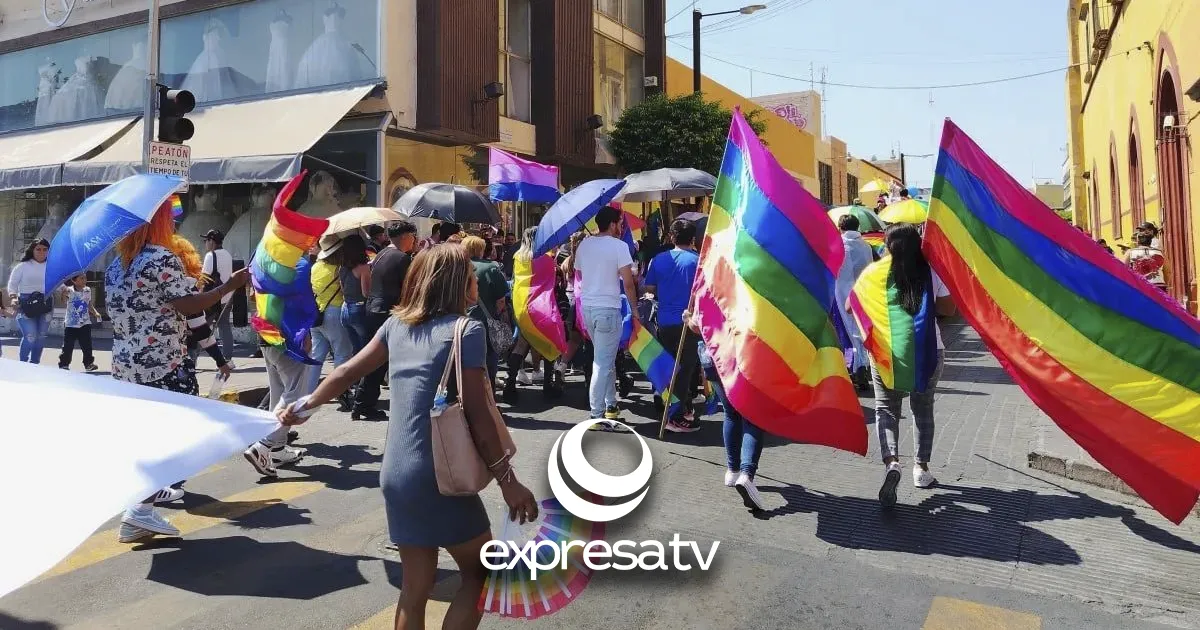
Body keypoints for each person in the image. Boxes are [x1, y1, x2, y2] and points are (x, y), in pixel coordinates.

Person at [277, 244, 538, 630]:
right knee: (483, 574)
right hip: (439, 476)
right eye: (469, 275)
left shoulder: (396, 325)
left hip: (397, 475)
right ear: (459, 283)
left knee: (415, 588)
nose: (474, 282)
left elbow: (347, 370)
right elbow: (479, 415)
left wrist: (305, 405)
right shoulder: (467, 330)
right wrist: (509, 481)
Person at [105, 199, 250, 542]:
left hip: (126, 365)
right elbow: (190, 305)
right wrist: (230, 285)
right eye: (168, 219)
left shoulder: (116, 265)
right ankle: (140, 510)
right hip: (161, 365)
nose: (172, 225)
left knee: (147, 437)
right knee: (178, 435)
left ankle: (142, 506)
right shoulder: (160, 259)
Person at [851, 224, 956, 510]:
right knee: (923, 410)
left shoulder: (873, 273)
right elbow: (949, 309)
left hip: (886, 355)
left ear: (886, 245)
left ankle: (892, 462)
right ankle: (921, 469)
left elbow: (852, 306)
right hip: (928, 352)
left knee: (886, 409)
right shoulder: (930, 270)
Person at [575, 206, 640, 429]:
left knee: (606, 358)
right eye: (620, 223)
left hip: (589, 308)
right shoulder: (619, 246)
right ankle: (596, 413)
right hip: (608, 309)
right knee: (602, 362)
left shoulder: (584, 244)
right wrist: (635, 308)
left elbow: (581, 273)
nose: (621, 227)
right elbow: (628, 282)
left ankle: (610, 404)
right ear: (613, 224)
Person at [353, 221, 418, 420]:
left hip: (375, 309)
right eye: (413, 237)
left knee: (377, 360)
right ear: (406, 237)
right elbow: (409, 288)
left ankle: (362, 402)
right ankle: (365, 404)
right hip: (388, 312)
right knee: (386, 360)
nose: (414, 241)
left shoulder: (382, 253)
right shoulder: (401, 258)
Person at [643, 219, 702, 433]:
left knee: (670, 366)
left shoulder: (658, 260)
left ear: (671, 237)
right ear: (693, 239)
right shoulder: (698, 261)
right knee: (685, 369)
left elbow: (649, 287)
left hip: (665, 321)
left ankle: (677, 406)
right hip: (689, 321)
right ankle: (674, 415)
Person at [305, 238, 355, 407]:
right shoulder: (339, 269)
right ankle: (340, 392)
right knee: (342, 353)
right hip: (335, 312)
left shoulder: (315, 267)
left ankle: (308, 393)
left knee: (316, 357)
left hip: (317, 314)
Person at [463, 235, 510, 386]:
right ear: (481, 249)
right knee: (489, 358)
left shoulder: (458, 266)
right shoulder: (490, 267)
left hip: (460, 320)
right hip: (485, 320)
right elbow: (501, 299)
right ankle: (489, 395)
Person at [835, 215, 874, 388]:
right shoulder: (866, 246)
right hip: (864, 292)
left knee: (846, 333)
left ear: (840, 227)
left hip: (842, 295)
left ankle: (854, 369)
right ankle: (864, 366)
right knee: (861, 329)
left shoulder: (837, 245)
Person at [7, 239, 52, 364]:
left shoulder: (51, 266)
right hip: (26, 304)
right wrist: (13, 297)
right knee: (30, 336)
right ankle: (22, 364)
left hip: (45, 303)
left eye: (45, 249)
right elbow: (12, 284)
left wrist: (65, 290)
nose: (41, 252)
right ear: (32, 250)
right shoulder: (23, 266)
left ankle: (35, 364)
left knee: (41, 337)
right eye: (38, 249)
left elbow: (58, 283)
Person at [201, 229, 236, 366]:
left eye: (206, 241)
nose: (205, 243)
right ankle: (228, 359)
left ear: (212, 241)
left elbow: (204, 278)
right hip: (227, 297)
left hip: (212, 298)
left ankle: (192, 358)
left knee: (201, 328)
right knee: (225, 327)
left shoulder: (211, 255)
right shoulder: (227, 254)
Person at [58, 274, 101, 372]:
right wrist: (63, 294)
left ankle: (89, 364)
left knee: (87, 345)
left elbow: (88, 303)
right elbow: (64, 301)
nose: (84, 280)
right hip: (70, 324)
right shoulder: (69, 290)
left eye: (85, 277)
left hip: (85, 323)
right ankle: (64, 364)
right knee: (68, 346)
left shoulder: (87, 290)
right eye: (81, 278)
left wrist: (95, 312)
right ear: (74, 280)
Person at [338, 234, 372, 352]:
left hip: (345, 308)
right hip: (358, 309)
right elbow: (366, 293)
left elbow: (343, 289)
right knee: (366, 348)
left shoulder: (342, 267)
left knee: (355, 348)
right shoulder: (363, 268)